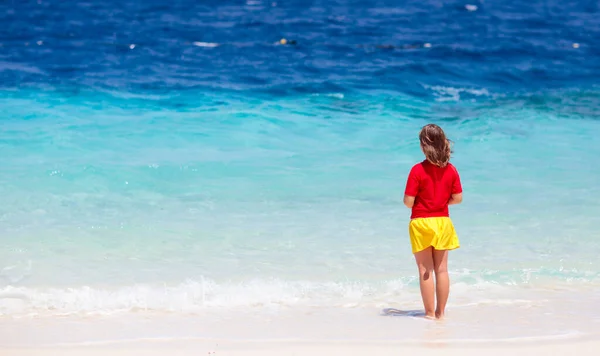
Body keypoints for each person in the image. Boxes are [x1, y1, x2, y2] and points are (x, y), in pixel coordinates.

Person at [403, 124, 462, 320]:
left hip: (421, 222)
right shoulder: (451, 170)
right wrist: (442, 202)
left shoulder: (417, 170)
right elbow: (458, 198)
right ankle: (441, 313)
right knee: (442, 269)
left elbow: (408, 202)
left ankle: (429, 314)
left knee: (425, 270)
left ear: (423, 146)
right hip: (443, 222)